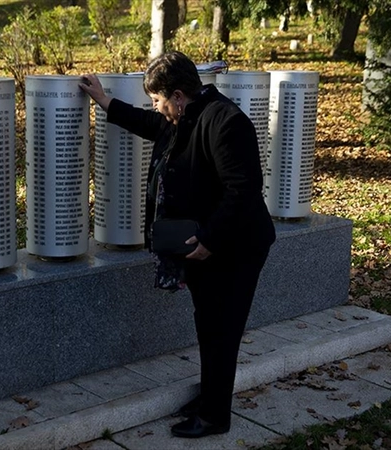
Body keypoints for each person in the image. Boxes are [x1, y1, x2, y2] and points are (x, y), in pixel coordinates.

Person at [79, 52, 276, 438]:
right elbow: (152, 124)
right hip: (207, 246)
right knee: (208, 325)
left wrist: (208, 240)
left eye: (158, 100)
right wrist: (105, 102)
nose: (157, 109)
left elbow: (244, 191)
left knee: (222, 329)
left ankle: (215, 417)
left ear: (179, 95)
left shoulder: (226, 122)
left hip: (235, 249)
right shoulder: (186, 117)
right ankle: (211, 397)